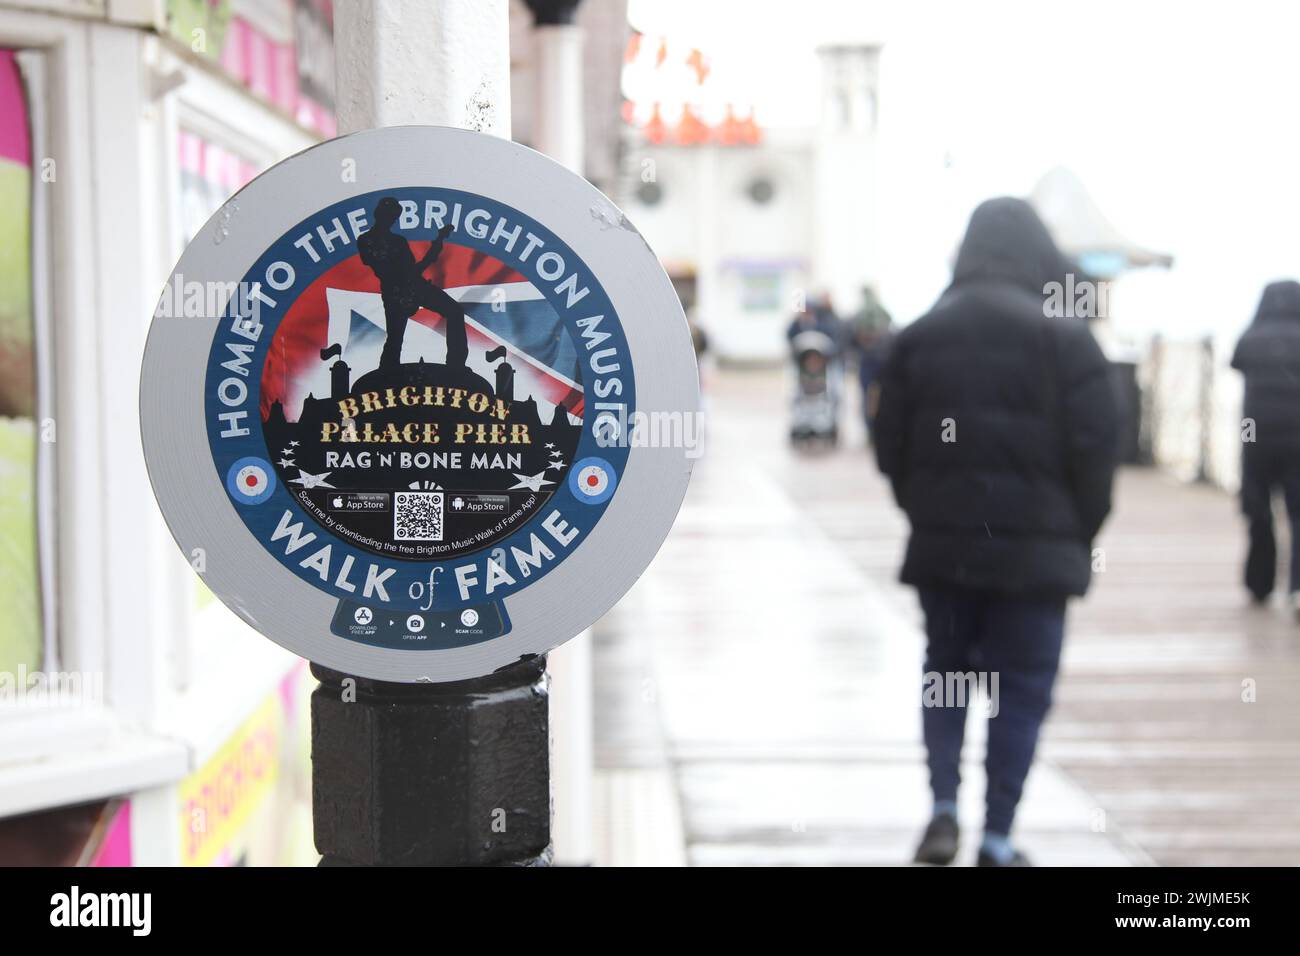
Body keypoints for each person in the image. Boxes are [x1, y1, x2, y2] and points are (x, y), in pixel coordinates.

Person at [872, 197, 1120, 866]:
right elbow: (1098, 450)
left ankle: (943, 808)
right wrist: (1075, 530)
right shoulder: (1068, 339)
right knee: (1022, 691)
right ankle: (998, 836)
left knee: (946, 674)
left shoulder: (920, 335)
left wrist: (926, 509)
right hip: (1038, 561)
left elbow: (889, 445)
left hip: (945, 548)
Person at [1230, 280, 1300, 614]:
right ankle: (1297, 588)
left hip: (1255, 437)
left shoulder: (1250, 338)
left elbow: (1235, 362)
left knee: (1258, 509)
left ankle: (1260, 581)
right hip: (1297, 439)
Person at [357, 197, 465, 370]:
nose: (391, 220)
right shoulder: (365, 240)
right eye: (388, 215)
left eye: (393, 216)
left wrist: (439, 240)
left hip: (415, 285)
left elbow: (414, 268)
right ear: (379, 215)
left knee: (455, 311)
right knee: (395, 338)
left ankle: (456, 366)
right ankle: (387, 372)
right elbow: (384, 269)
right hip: (395, 292)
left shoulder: (398, 241)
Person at [850, 285, 893, 441]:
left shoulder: (862, 313)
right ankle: (878, 429)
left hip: (870, 360)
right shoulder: (880, 311)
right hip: (878, 359)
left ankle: (873, 429)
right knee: (882, 396)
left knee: (869, 397)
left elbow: (853, 336)